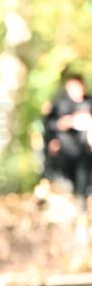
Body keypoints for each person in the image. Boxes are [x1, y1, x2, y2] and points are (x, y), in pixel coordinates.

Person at [42, 72, 92, 210]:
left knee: (84, 178)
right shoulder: (59, 103)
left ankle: (82, 207)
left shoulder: (89, 102)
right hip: (65, 149)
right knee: (66, 179)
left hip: (85, 150)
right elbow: (48, 124)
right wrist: (64, 124)